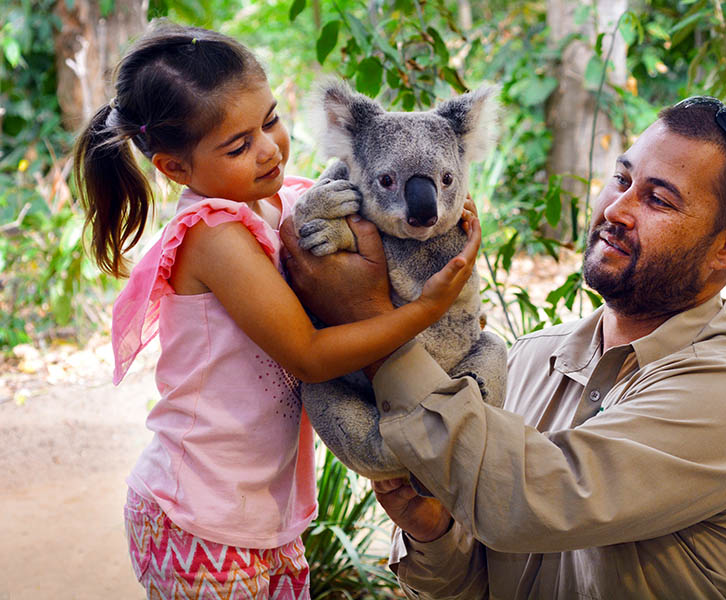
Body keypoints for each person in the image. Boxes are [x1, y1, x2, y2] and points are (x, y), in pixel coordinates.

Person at [280, 96, 726, 598]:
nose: (617, 209)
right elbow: (488, 581)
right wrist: (437, 531)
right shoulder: (528, 359)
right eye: (621, 179)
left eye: (658, 200)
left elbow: (531, 504)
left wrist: (367, 318)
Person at [73, 21, 479, 599]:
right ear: (174, 168)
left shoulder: (279, 198)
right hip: (200, 515)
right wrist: (428, 307)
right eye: (238, 146)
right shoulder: (213, 233)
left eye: (270, 121)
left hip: (263, 514)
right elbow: (309, 357)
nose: (267, 149)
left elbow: (372, 202)